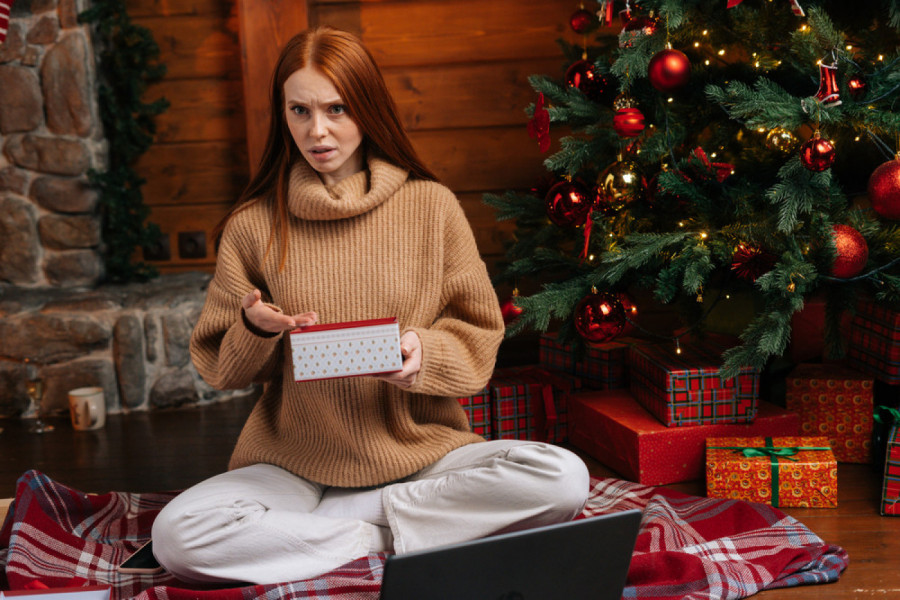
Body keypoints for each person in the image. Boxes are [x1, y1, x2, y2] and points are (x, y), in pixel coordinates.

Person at [151, 26, 590, 586]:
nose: (318, 130)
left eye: (337, 108)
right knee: (177, 537)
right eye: (300, 110)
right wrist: (254, 330)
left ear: (367, 107)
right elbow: (219, 369)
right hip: (294, 467)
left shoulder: (431, 207)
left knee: (562, 478)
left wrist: (420, 354)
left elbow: (479, 336)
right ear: (282, 115)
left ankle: (323, 531)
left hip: (422, 456)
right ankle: (385, 536)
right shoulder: (252, 225)